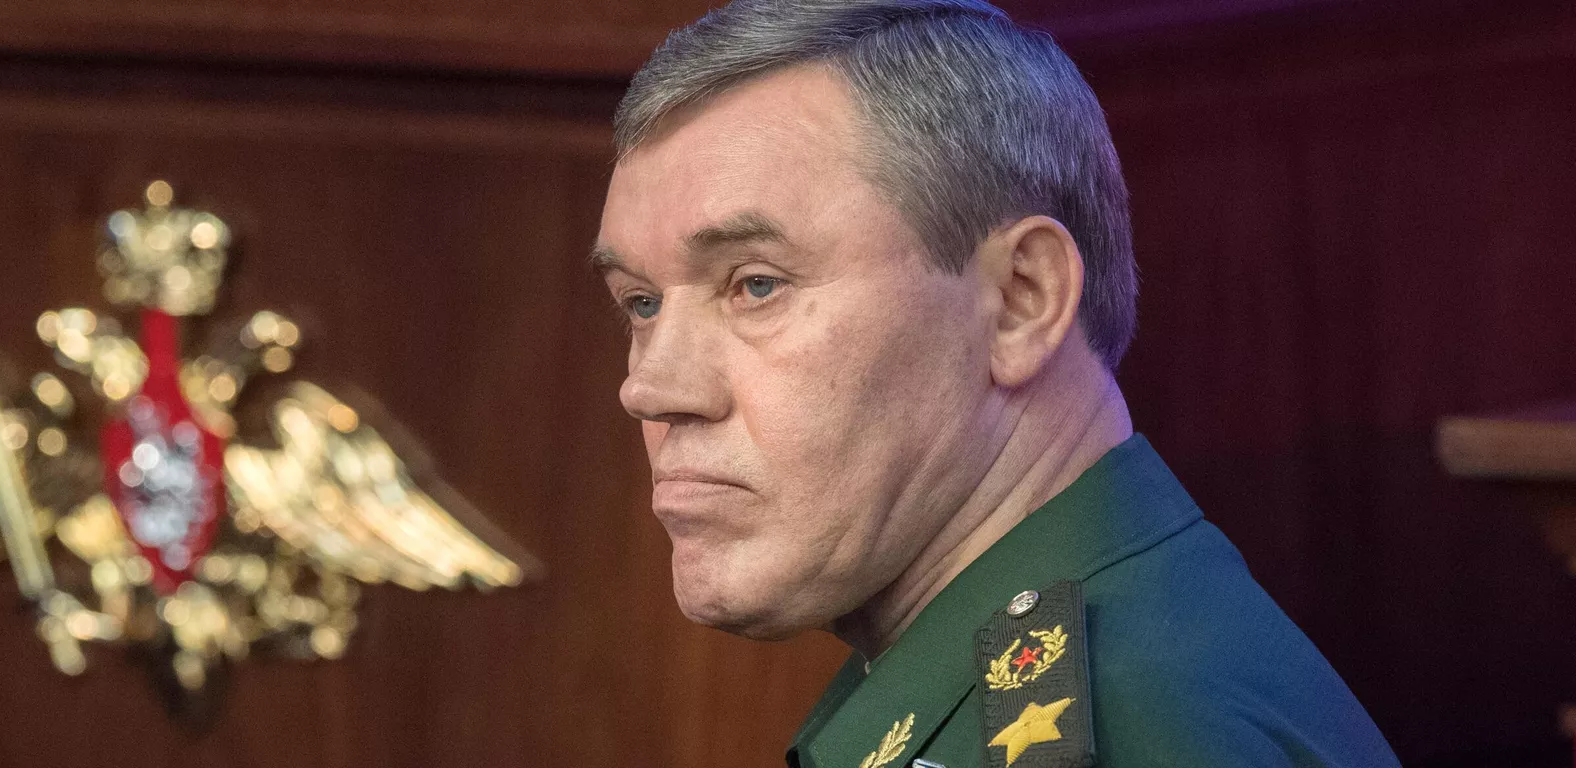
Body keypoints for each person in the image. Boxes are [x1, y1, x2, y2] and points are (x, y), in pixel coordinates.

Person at [590, 1, 1400, 765]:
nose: (650, 390)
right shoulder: (1077, 666)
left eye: (756, 284)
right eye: (641, 303)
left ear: (1020, 301)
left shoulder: (1133, 721)